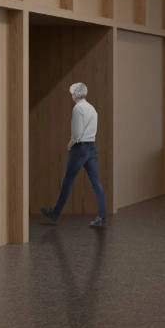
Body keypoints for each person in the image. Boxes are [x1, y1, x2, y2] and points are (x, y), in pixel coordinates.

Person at [40, 82, 107, 228]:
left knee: (67, 181)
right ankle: (102, 217)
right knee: (96, 183)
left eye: (72, 93)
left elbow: (76, 133)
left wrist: (70, 144)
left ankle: (55, 213)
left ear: (75, 94)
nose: (71, 95)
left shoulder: (78, 109)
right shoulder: (92, 108)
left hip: (79, 148)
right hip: (91, 146)